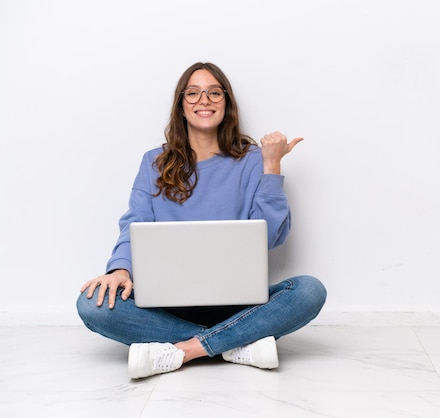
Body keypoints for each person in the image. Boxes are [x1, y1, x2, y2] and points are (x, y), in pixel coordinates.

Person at [76, 62, 327, 379]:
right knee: (90, 303)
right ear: (181, 106)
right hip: (165, 302)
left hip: (238, 301)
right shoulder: (155, 162)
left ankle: (184, 350)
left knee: (309, 290)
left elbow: (271, 237)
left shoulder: (254, 159)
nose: (204, 100)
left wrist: (272, 166)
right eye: (192, 93)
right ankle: (238, 342)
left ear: (227, 102)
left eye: (214, 93)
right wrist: (120, 270)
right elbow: (134, 223)